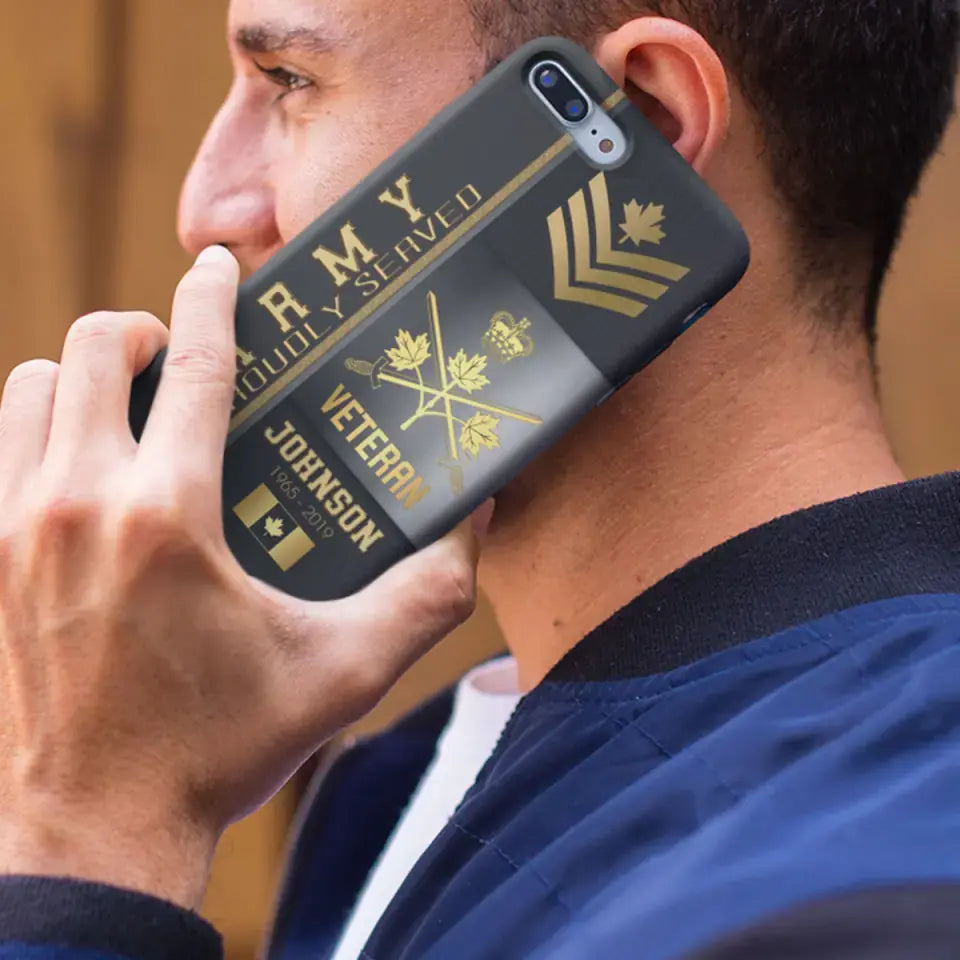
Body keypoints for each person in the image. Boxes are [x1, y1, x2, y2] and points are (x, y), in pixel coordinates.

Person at [0, 0, 958, 957]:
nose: (205, 207)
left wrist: (89, 833)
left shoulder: (878, 877)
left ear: (645, 120)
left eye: (292, 81)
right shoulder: (405, 788)